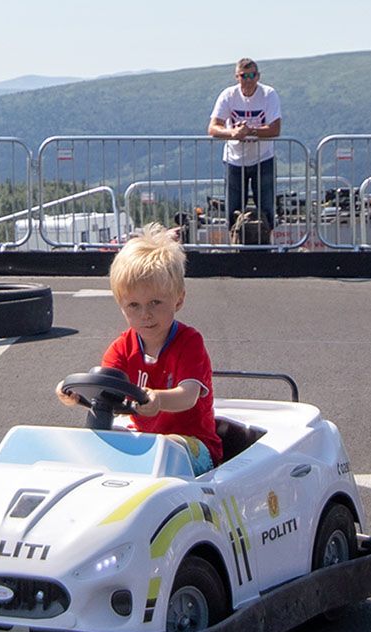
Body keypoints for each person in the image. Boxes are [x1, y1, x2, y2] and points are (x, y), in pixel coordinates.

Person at [56, 223, 221, 474]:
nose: (145, 314)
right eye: (134, 305)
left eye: (155, 302)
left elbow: (188, 396)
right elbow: (105, 389)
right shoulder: (122, 347)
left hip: (193, 444)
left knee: (168, 451)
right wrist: (74, 393)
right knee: (92, 444)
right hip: (146, 438)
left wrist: (157, 398)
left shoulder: (189, 343)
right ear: (121, 306)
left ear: (178, 299)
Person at [207, 58, 281, 235]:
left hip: (262, 158)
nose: (248, 80)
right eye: (244, 76)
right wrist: (232, 133)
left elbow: (275, 128)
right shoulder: (228, 95)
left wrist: (250, 132)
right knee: (233, 208)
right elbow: (212, 128)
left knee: (267, 206)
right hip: (234, 160)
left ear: (258, 76)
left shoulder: (268, 94)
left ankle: (266, 243)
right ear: (237, 77)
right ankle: (235, 242)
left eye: (252, 75)